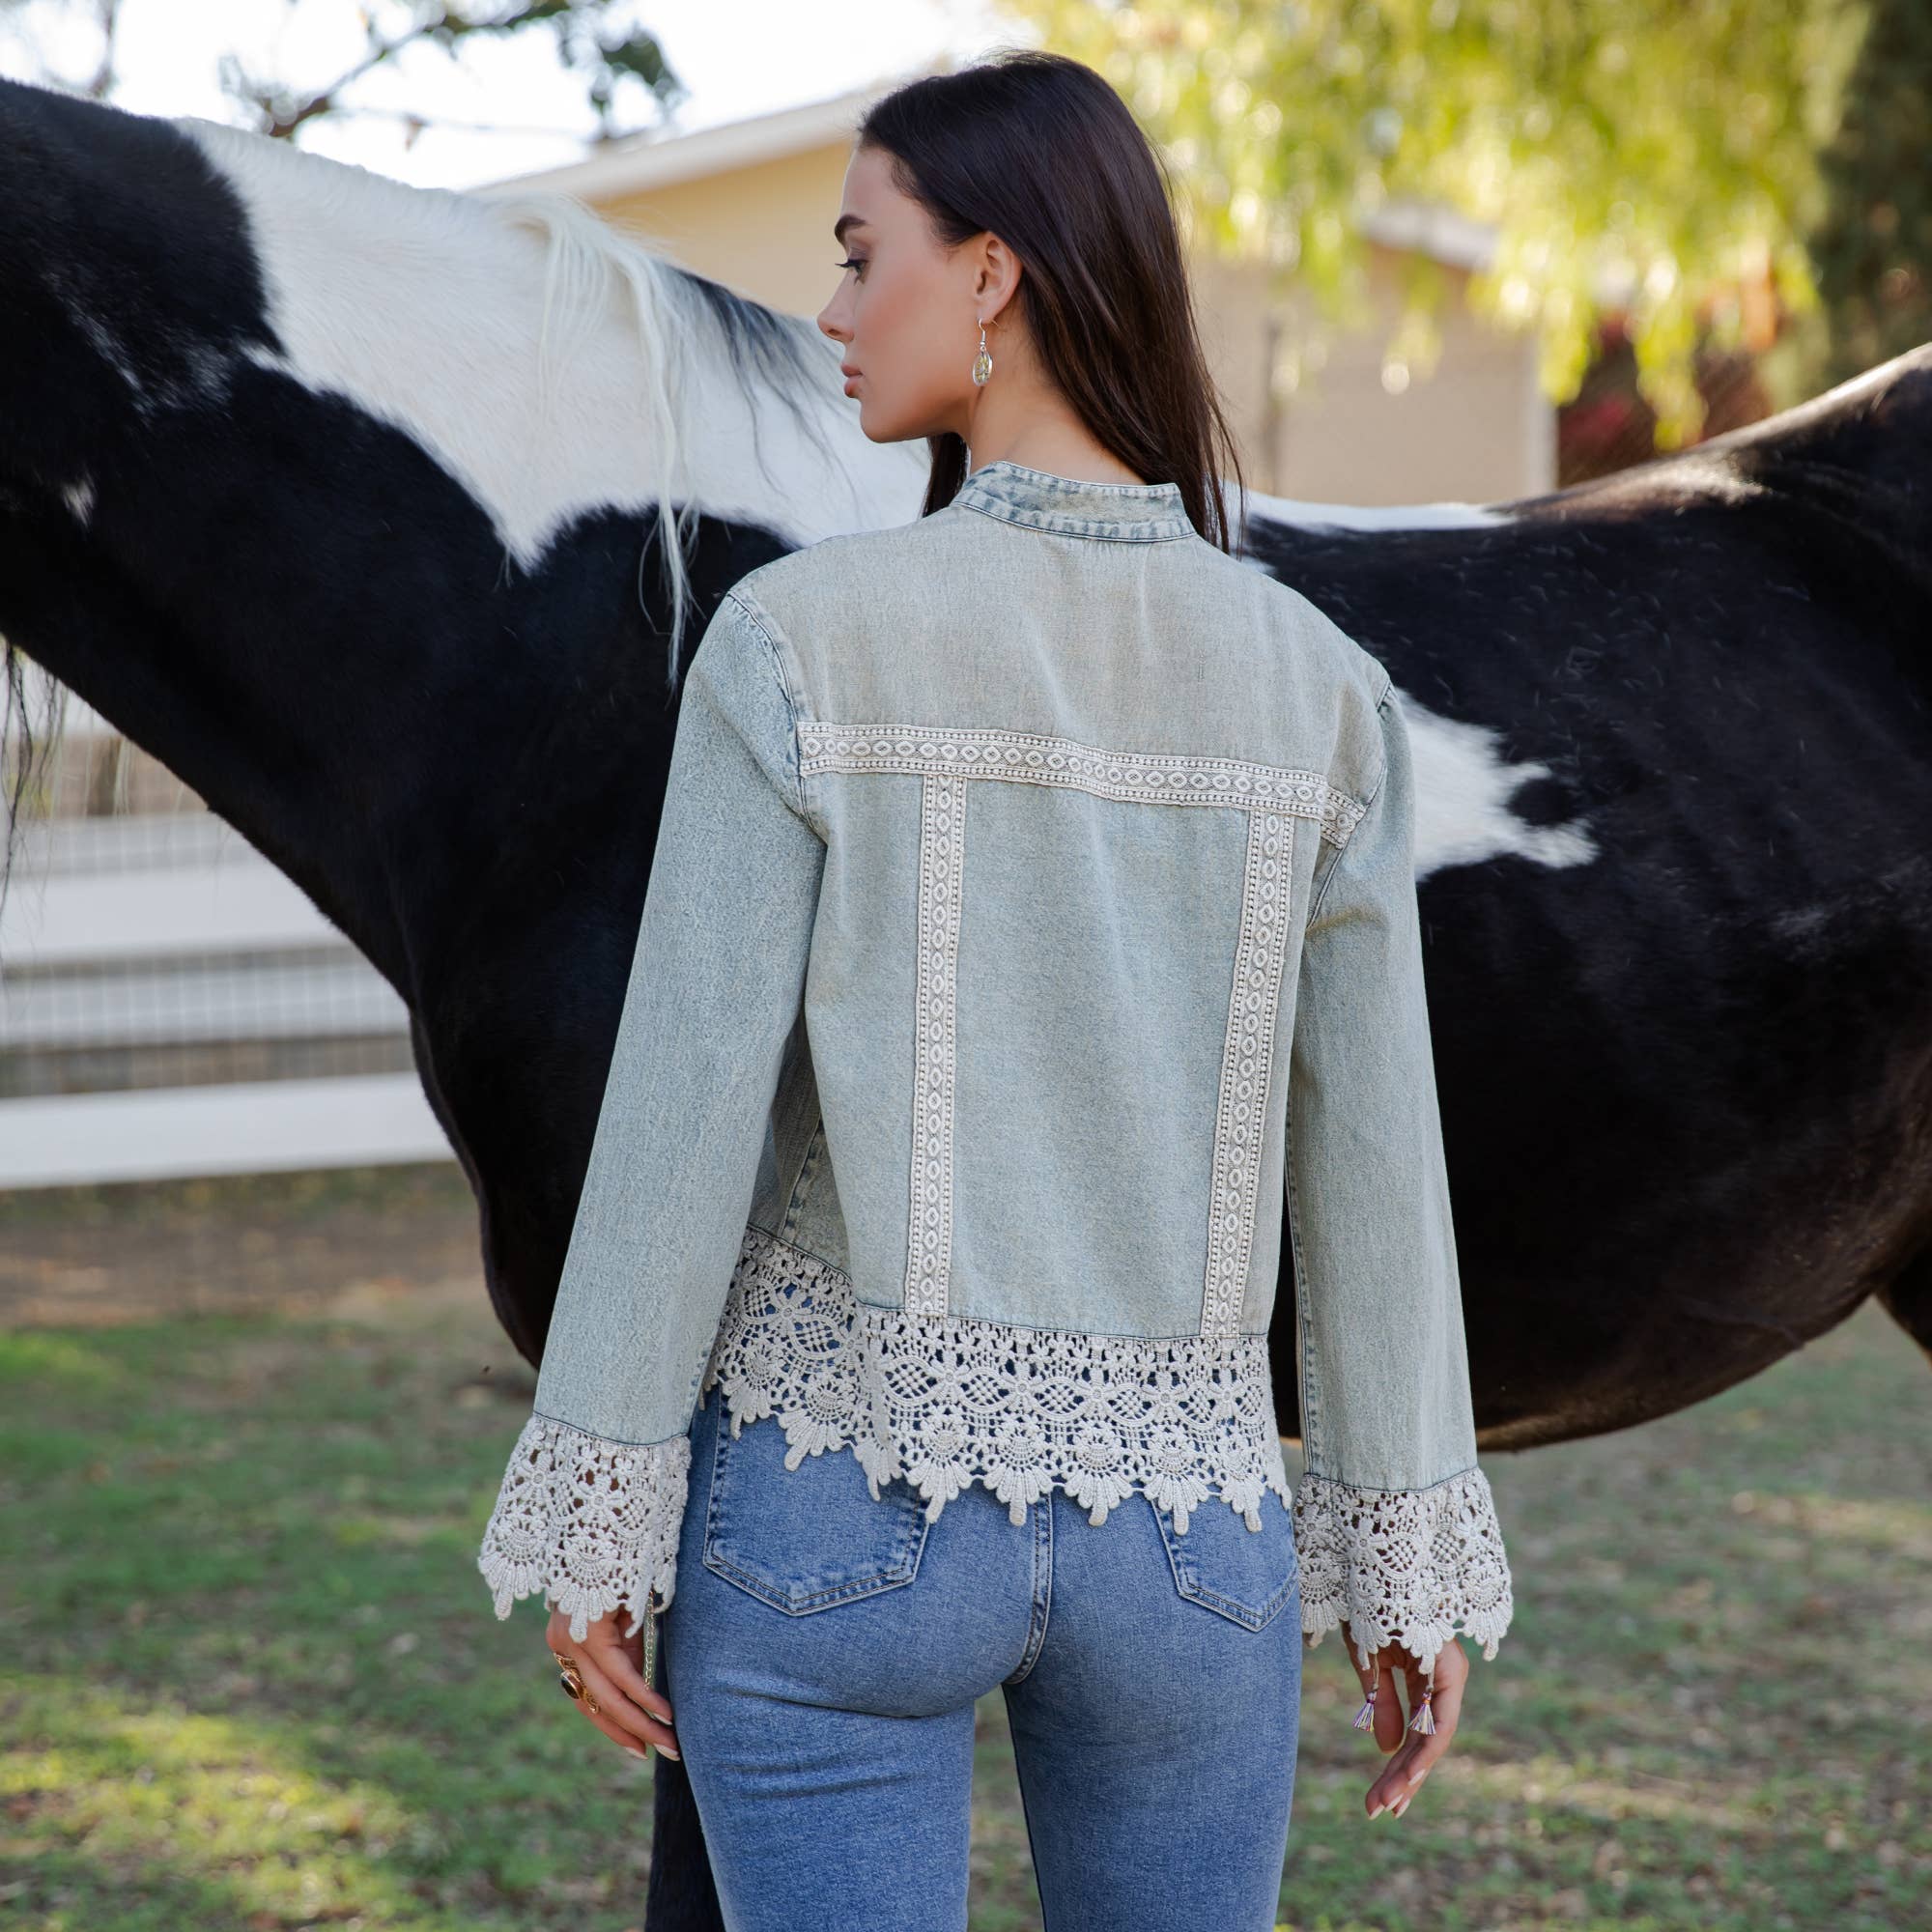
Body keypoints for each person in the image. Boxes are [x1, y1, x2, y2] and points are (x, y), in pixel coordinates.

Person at [477, 47, 1514, 1932]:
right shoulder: (1320, 691)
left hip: (833, 1506)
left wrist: (603, 1497)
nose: (830, 307)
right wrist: (1404, 1555)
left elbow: (684, 1099)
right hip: (1192, 1557)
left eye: (864, 252)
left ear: (993, 274)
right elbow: (1372, 1161)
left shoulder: (798, 646)